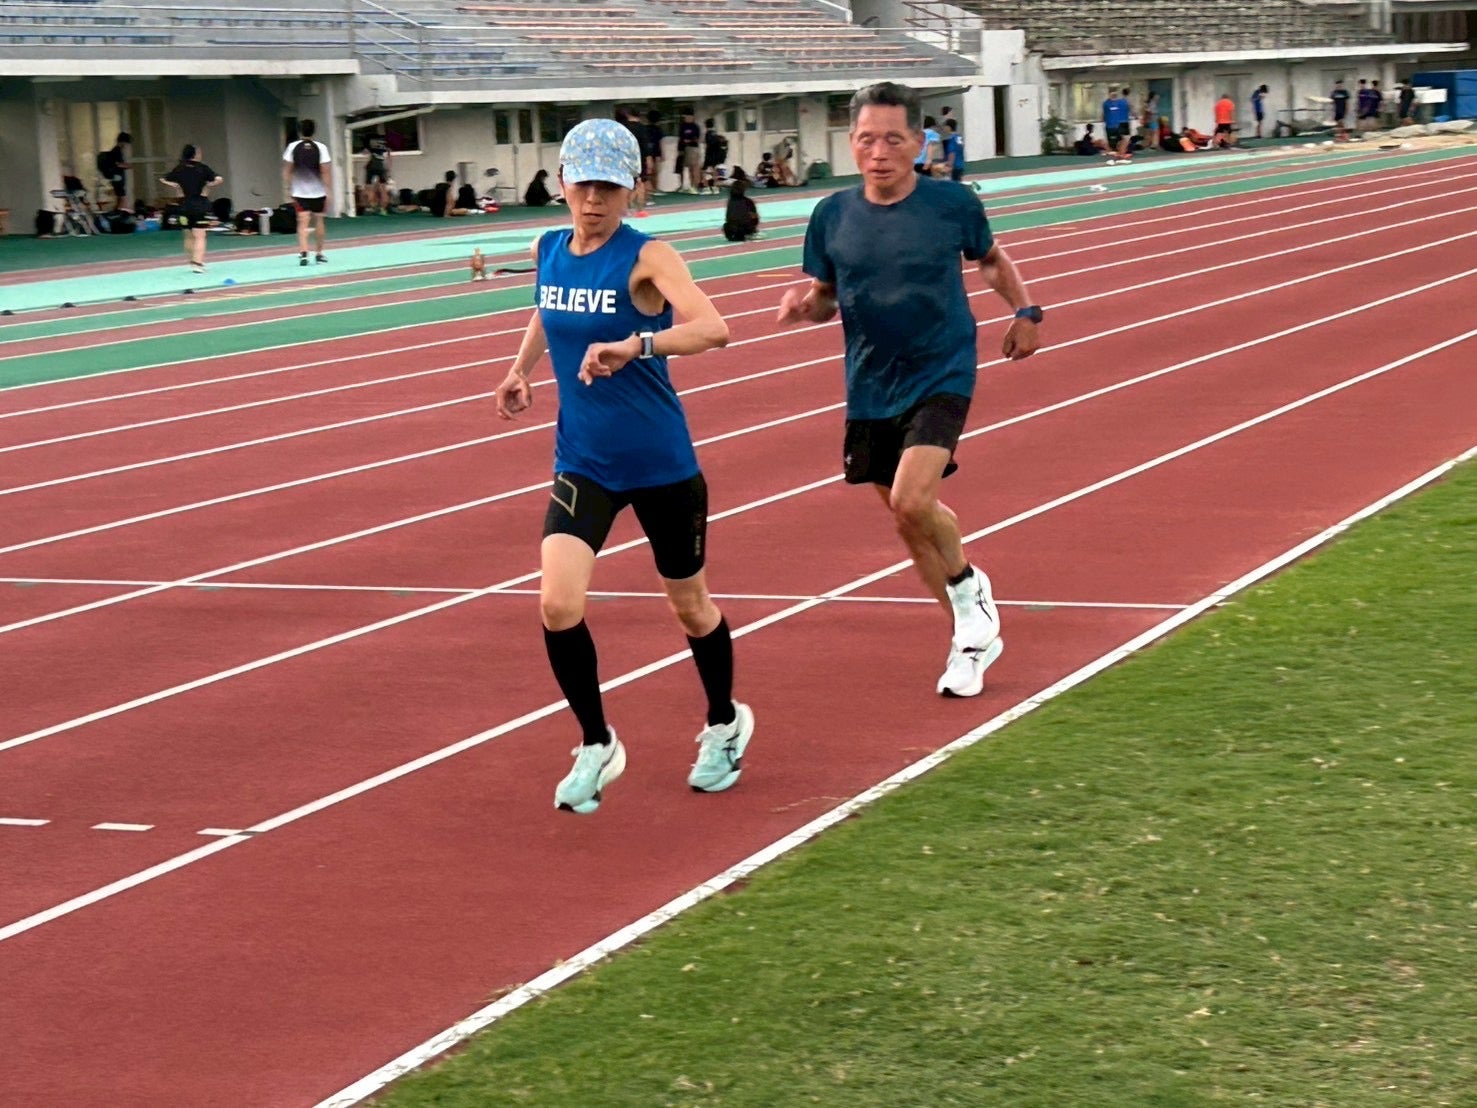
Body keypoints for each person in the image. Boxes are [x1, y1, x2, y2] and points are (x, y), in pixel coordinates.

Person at [492, 118, 754, 814]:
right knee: (557, 603)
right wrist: (520, 370)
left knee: (690, 606)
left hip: (661, 462)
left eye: (609, 187)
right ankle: (596, 741)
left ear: (633, 189)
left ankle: (724, 722)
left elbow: (714, 328)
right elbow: (548, 311)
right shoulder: (548, 249)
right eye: (583, 184)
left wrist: (638, 345)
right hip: (584, 462)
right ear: (562, 183)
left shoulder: (648, 257)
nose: (594, 199)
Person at [776, 81, 1042, 698]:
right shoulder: (831, 216)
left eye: (893, 139)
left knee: (912, 499)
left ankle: (970, 591)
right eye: (867, 139)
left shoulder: (951, 204)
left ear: (919, 143)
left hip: (942, 369)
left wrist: (1025, 311)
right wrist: (805, 306)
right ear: (851, 142)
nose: (879, 152)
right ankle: (969, 641)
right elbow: (826, 296)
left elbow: (991, 260)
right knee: (907, 520)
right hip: (870, 383)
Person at [159, 144, 222, 275]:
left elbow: (163, 179)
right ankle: (198, 263)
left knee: (188, 235)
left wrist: (176, 186)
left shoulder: (179, 168)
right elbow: (218, 179)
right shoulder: (202, 168)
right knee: (200, 235)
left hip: (184, 204)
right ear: (195, 154)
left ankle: (192, 262)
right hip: (199, 203)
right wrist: (208, 185)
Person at [282, 119, 331, 266]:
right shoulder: (321, 147)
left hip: (299, 192)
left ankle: (304, 253)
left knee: (302, 222)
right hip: (318, 192)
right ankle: (319, 253)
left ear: (300, 131)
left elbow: (287, 170)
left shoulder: (292, 147)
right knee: (319, 221)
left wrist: (288, 188)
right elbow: (325, 171)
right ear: (314, 131)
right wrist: (329, 190)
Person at [97, 131, 132, 212]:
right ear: (123, 142)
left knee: (120, 198)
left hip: (116, 177)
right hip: (118, 177)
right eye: (126, 143)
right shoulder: (117, 151)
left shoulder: (116, 150)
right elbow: (118, 164)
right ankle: (118, 213)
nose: (126, 145)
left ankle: (117, 212)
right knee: (122, 198)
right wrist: (128, 166)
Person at [722, 176, 759, 241]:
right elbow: (755, 218)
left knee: (728, 225)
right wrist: (753, 228)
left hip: (729, 229)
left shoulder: (730, 201)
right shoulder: (748, 201)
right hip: (744, 229)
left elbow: (728, 217)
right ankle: (747, 232)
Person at [364, 130, 391, 214]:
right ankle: (383, 209)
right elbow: (389, 157)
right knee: (383, 189)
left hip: (372, 166)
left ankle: (373, 206)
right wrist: (387, 169)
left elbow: (365, 153)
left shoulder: (370, 143)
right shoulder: (385, 144)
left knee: (369, 187)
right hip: (381, 167)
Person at [677, 108, 702, 194]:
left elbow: (697, 139)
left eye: (688, 116)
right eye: (685, 117)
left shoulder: (695, 127)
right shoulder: (682, 126)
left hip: (693, 149)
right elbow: (681, 139)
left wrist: (689, 141)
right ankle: (689, 186)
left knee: (694, 168)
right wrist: (680, 149)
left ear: (692, 117)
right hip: (684, 149)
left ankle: (695, 186)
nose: (686, 118)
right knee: (687, 169)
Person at [1103, 88, 1132, 159]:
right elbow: (1104, 114)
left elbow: (1129, 108)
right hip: (1113, 125)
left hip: (1118, 124)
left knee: (1124, 140)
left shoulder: (1122, 102)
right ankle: (1119, 154)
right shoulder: (1107, 104)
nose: (1114, 95)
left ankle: (1120, 153)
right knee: (1120, 141)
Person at [701, 117, 728, 194]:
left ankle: (706, 187)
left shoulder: (708, 134)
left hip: (709, 155)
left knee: (704, 171)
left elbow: (708, 144)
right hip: (716, 155)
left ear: (706, 126)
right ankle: (715, 187)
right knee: (714, 171)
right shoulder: (715, 134)